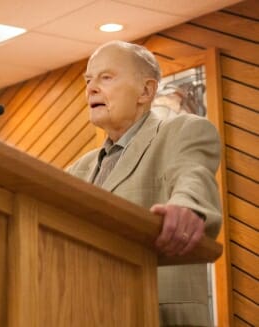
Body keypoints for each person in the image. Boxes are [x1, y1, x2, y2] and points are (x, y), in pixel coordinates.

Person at [66, 40, 222, 326]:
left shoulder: (181, 132)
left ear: (146, 91)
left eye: (106, 77)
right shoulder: (79, 169)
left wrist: (186, 207)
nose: (91, 88)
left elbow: (193, 175)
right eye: (89, 80)